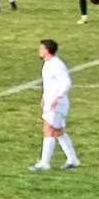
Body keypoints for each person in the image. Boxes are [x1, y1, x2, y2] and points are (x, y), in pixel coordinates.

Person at [30, 39, 80, 171]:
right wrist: (44, 97)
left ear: (47, 50)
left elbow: (66, 83)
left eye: (41, 49)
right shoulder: (48, 64)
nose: (39, 51)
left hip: (57, 104)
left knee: (49, 130)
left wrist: (57, 98)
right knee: (58, 131)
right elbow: (49, 84)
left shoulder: (57, 64)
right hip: (51, 102)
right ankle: (73, 159)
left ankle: (45, 163)